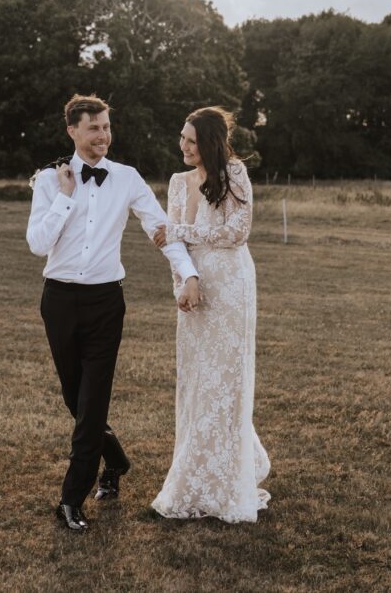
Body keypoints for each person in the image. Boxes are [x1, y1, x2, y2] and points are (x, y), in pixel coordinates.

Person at [27, 94, 201, 532]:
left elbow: (160, 228)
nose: (103, 136)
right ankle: (117, 460)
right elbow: (38, 244)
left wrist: (189, 273)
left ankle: (71, 498)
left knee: (93, 402)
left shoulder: (126, 178)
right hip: (59, 301)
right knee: (76, 400)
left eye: (106, 128)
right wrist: (65, 196)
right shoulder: (50, 179)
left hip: (107, 302)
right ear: (73, 131)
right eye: (94, 128)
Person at [150, 106, 271, 523]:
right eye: (182, 138)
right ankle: (194, 474)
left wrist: (182, 231)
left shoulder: (234, 173)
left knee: (226, 379)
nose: (183, 147)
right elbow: (171, 244)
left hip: (233, 285)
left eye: (192, 141)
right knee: (198, 380)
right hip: (196, 285)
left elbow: (238, 233)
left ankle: (228, 478)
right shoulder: (177, 182)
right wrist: (183, 283)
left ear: (211, 142)